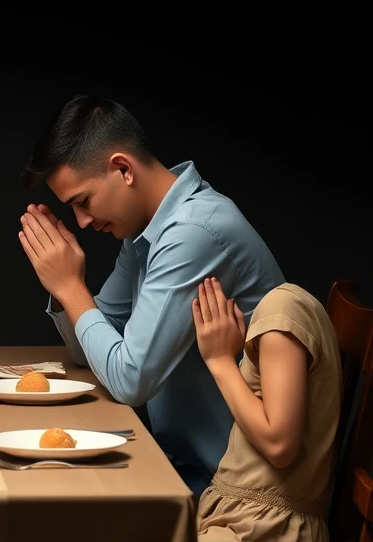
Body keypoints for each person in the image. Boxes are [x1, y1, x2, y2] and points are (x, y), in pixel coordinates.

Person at [18, 94, 285, 496]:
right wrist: (65, 291)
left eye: (83, 201)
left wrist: (72, 287)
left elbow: (129, 380)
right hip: (182, 465)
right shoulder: (147, 233)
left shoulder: (192, 233)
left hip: (235, 491)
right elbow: (90, 352)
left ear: (122, 168)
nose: (83, 221)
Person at [192, 276, 342, 542]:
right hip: (252, 535)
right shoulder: (276, 315)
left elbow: (279, 443)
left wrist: (218, 361)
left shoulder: (281, 310)